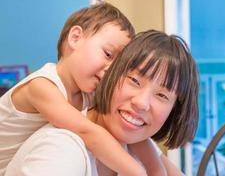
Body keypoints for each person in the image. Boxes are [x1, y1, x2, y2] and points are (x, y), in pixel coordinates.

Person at [0, 2, 165, 176]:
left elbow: (132, 135)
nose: (111, 69)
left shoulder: (88, 93)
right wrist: (137, 172)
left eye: (117, 65)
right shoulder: (41, 86)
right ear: (75, 37)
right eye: (108, 54)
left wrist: (157, 170)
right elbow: (90, 133)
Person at [5, 30, 199, 176]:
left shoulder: (133, 141)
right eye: (134, 81)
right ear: (110, 76)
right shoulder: (63, 149)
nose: (141, 103)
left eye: (162, 95)